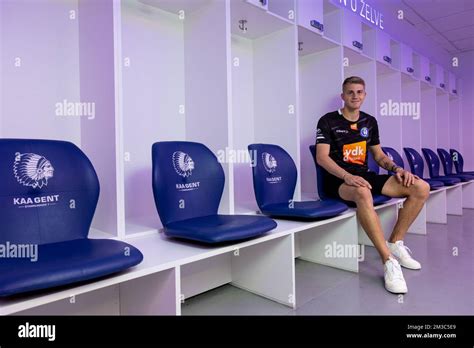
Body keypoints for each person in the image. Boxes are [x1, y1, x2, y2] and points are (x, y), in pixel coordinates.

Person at [315, 76, 430, 294]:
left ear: (364, 95)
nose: (355, 96)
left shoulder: (369, 122)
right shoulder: (327, 121)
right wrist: (346, 176)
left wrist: (397, 169)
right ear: (343, 96)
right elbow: (322, 157)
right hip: (337, 181)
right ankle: (388, 261)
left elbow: (378, 155)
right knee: (363, 191)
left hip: (364, 175)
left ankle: (395, 242)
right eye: (350, 92)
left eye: (359, 92)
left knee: (420, 187)